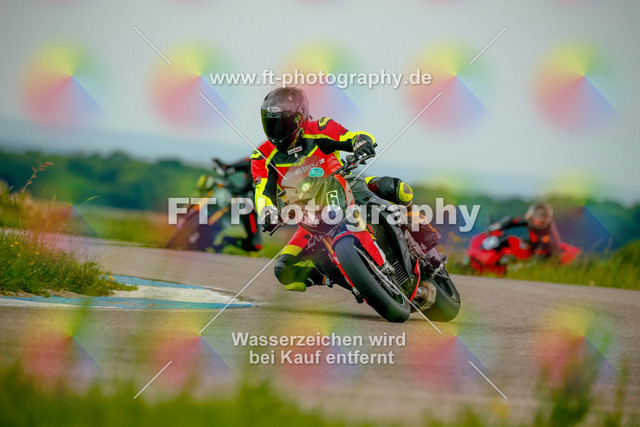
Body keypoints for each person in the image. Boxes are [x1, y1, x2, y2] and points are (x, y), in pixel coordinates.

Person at [251, 87, 441, 292]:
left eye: (283, 122)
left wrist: (361, 143)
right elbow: (263, 191)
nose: (277, 130)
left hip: (346, 185)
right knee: (284, 269)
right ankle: (353, 279)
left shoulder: (320, 127)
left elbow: (352, 137)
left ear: (300, 116)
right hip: (309, 214)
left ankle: (424, 235)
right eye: (271, 123)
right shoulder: (261, 156)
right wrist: (268, 212)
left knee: (396, 188)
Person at [200, 157, 262, 252]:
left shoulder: (269, 167)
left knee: (255, 245)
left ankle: (225, 240)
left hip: (252, 204)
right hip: (245, 202)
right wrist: (224, 167)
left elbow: (243, 188)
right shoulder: (253, 162)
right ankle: (206, 238)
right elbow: (236, 166)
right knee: (255, 244)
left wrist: (230, 184)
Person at [488, 202, 561, 257]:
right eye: (535, 219)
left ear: (546, 220)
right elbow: (513, 221)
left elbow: (552, 248)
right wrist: (496, 226)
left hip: (539, 253)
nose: (537, 223)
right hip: (530, 246)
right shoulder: (529, 220)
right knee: (510, 241)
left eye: (540, 221)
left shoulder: (549, 233)